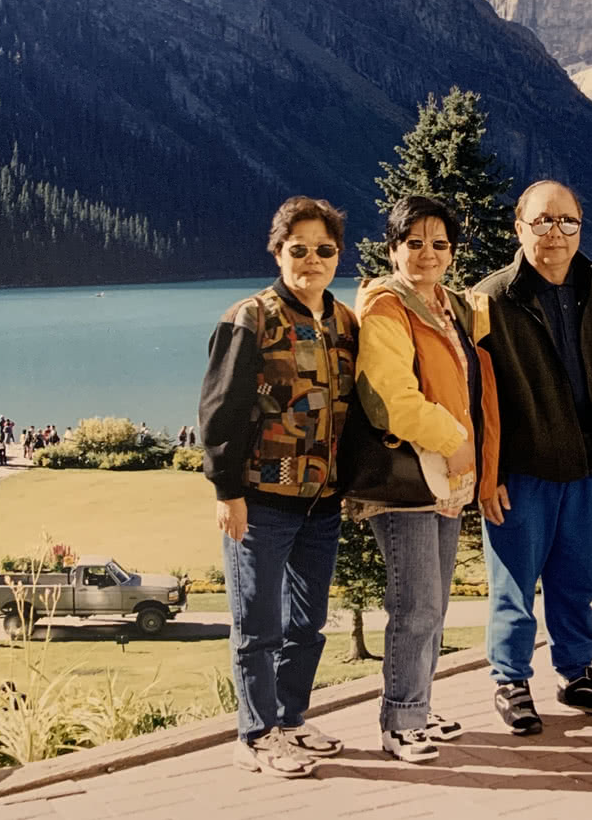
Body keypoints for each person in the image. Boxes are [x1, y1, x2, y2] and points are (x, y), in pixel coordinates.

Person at [200, 196, 358, 779]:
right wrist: (227, 491)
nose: (311, 260)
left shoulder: (344, 321)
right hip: (259, 501)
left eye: (324, 250)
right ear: (278, 251)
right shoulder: (250, 317)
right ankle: (256, 733)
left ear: (338, 256)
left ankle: (291, 719)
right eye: (299, 249)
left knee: (307, 622)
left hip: (322, 501)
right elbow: (219, 410)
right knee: (257, 624)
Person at [474, 180, 592, 735]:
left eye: (566, 221)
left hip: (588, 472)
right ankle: (511, 681)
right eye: (542, 221)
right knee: (514, 584)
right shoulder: (490, 299)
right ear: (519, 228)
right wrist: (486, 473)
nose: (555, 233)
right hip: (521, 475)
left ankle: (577, 674)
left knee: (577, 581)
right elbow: (477, 401)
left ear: (580, 226)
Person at [352, 196, 502, 763]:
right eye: (413, 242)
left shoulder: (445, 306)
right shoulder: (387, 307)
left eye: (439, 243)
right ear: (393, 249)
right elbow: (392, 397)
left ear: (453, 253)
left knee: (433, 606)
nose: (427, 253)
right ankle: (401, 720)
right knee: (415, 606)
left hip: (445, 477)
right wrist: (456, 440)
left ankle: (420, 704)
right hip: (409, 475)